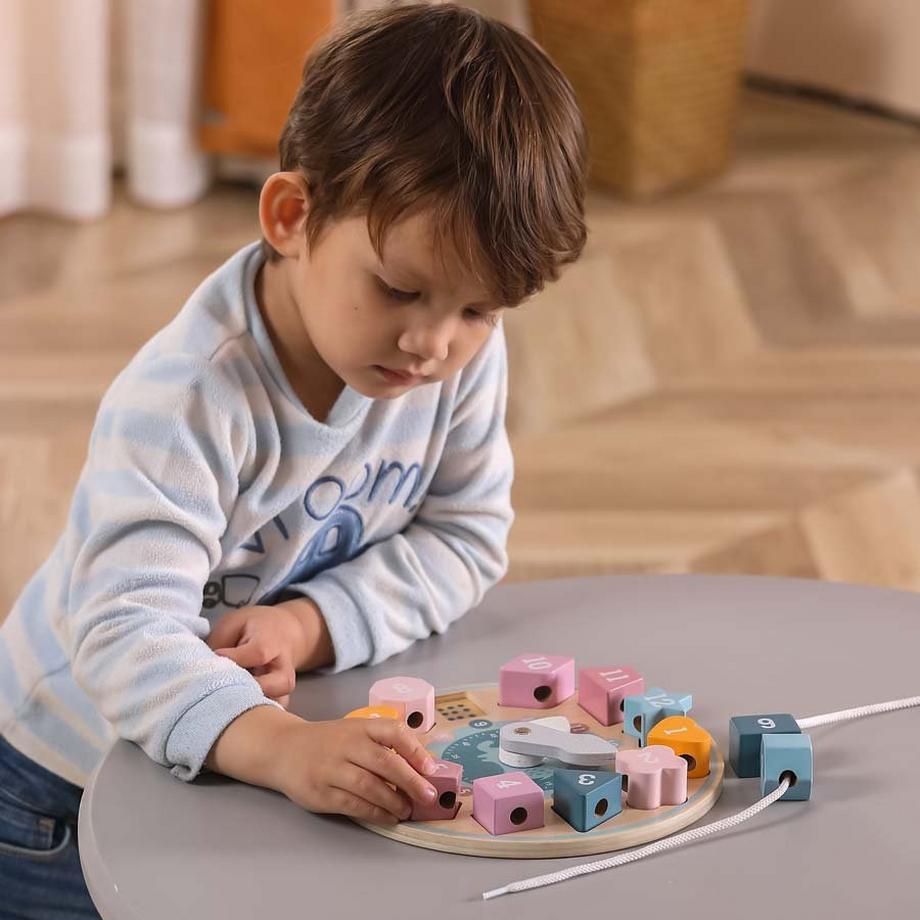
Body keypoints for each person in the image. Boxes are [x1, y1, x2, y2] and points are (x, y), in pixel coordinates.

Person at [0, 2, 587, 916]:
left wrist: (308, 625)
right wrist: (276, 747)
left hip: (246, 730)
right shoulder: (189, 398)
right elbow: (119, 631)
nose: (435, 342)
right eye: (400, 289)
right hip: (63, 776)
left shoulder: (451, 352)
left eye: (481, 311)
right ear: (291, 216)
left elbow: (465, 536)